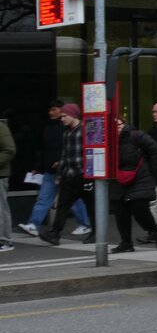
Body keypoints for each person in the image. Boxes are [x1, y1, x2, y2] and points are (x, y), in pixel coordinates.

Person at [18, 100, 91, 237]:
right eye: (51, 110)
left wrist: (61, 164)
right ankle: (34, 224)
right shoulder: (54, 129)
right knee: (45, 198)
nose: (52, 113)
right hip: (55, 170)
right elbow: (46, 149)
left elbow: (71, 152)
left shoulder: (72, 129)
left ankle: (84, 224)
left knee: (73, 200)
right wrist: (39, 167)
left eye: (55, 110)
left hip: (71, 172)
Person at [39, 103, 95, 245]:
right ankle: (55, 233)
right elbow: (64, 155)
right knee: (63, 204)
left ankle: (95, 232)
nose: (62, 119)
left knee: (91, 205)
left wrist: (89, 172)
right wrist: (60, 174)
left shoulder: (85, 129)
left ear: (73, 115)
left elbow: (92, 151)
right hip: (69, 175)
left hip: (84, 175)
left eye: (64, 116)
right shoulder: (66, 132)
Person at [110, 116, 157, 252]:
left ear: (124, 124)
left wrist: (154, 171)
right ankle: (126, 243)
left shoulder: (136, 135)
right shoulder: (108, 141)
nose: (117, 128)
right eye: (113, 126)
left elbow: (154, 149)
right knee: (121, 212)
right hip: (119, 180)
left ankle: (154, 231)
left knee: (139, 207)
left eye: (119, 124)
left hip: (139, 178)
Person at [139, 101, 157, 245]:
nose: (154, 114)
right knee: (154, 202)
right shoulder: (154, 130)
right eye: (153, 112)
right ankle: (152, 232)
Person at [0, 116, 14, 252]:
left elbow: (9, 150)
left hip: (1, 174)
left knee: (1, 208)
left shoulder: (1, 128)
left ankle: (5, 240)